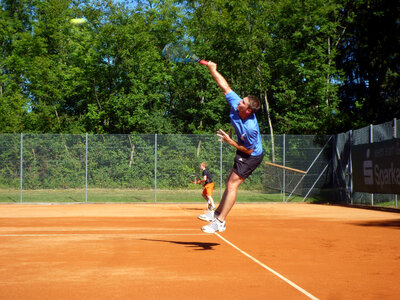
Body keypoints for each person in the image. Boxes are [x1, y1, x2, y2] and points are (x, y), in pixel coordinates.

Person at [198, 61, 264, 233]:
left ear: (248, 110)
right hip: (243, 149)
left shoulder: (251, 129)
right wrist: (213, 69)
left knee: (232, 185)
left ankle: (220, 221)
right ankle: (217, 213)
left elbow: (249, 150)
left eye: (243, 102)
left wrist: (230, 142)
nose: (238, 102)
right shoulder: (237, 104)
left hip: (252, 155)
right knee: (230, 183)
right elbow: (224, 86)